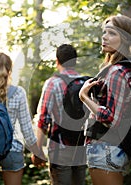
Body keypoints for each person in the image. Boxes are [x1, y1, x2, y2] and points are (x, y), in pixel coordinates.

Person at [79, 15, 131, 185]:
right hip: (113, 148)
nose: (104, 37)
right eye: (104, 32)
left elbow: (111, 118)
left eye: (112, 33)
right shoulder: (127, 68)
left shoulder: (117, 72)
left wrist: (83, 97)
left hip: (105, 148)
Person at [0, 52, 46, 185]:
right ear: (9, 71)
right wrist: (38, 152)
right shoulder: (18, 93)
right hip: (13, 147)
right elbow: (27, 130)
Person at [32, 44, 87, 185]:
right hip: (82, 146)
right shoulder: (85, 82)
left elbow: (43, 119)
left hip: (60, 147)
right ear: (75, 61)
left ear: (57, 61)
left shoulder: (53, 83)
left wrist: (37, 150)